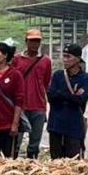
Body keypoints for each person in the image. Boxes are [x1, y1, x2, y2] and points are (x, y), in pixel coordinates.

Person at [48, 43, 88, 159]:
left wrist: (61, 95)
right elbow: (51, 96)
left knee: (73, 162)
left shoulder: (86, 78)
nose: (65, 60)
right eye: (64, 56)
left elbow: (81, 100)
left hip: (74, 126)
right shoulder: (58, 75)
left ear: (78, 59)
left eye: (68, 57)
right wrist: (71, 96)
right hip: (56, 124)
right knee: (55, 161)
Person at [13, 28, 53, 159]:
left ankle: (32, 165)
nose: (35, 44)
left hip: (38, 106)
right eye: (32, 41)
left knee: (34, 143)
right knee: (15, 141)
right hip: (20, 107)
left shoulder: (46, 61)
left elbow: (46, 83)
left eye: (37, 41)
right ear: (26, 42)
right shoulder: (17, 59)